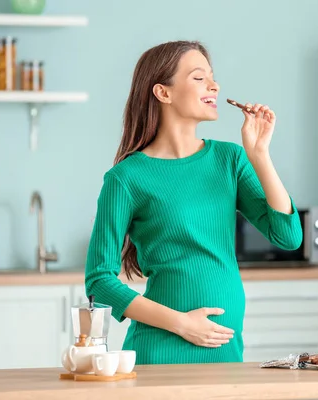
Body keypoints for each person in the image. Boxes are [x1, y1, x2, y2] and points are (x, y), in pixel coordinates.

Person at [84, 40, 303, 365]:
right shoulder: (126, 178)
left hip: (224, 349)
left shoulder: (230, 159)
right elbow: (99, 281)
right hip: (160, 350)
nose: (214, 85)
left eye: (212, 77)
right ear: (163, 92)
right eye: (199, 77)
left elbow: (288, 236)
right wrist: (182, 324)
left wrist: (259, 155)